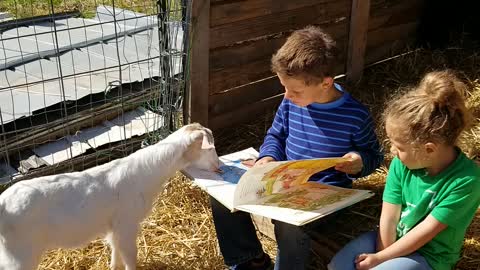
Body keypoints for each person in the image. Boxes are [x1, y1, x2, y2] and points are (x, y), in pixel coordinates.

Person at [210, 25, 384, 270]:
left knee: (288, 224)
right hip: (284, 183)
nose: (287, 96)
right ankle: (249, 260)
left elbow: (374, 155)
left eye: (294, 90)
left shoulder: (355, 115)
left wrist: (358, 161)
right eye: (284, 87)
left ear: (325, 83)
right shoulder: (292, 102)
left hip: (325, 195)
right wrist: (268, 157)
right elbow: (276, 135)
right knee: (221, 194)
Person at [328, 70, 480, 270]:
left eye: (399, 147)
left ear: (428, 149)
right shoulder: (402, 164)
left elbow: (424, 233)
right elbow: (390, 216)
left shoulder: (466, 180)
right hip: (394, 239)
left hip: (430, 255)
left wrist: (380, 259)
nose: (392, 151)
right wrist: (381, 255)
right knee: (338, 265)